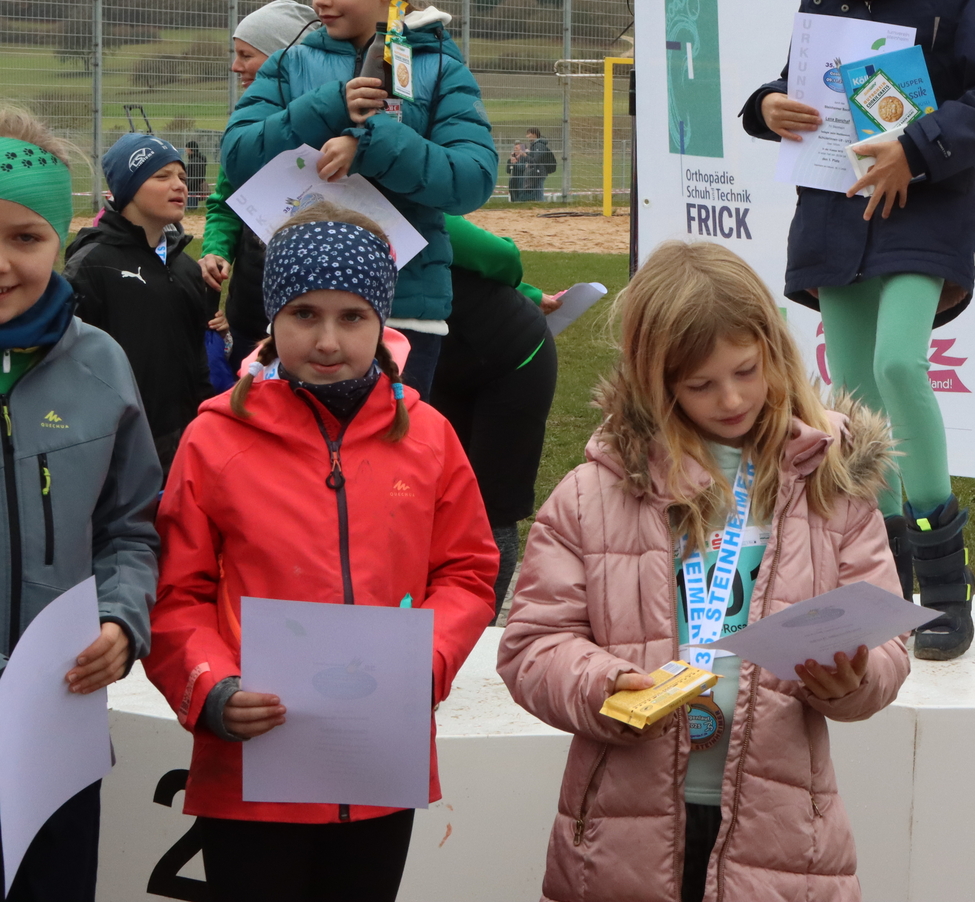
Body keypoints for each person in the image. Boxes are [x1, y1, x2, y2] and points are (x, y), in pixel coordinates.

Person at [498, 241, 908, 902]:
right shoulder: (590, 495)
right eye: (700, 384)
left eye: (747, 370)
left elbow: (886, 641)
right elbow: (533, 645)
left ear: (774, 352)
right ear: (656, 381)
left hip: (782, 834)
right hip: (621, 830)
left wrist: (853, 679)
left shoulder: (830, 485)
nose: (732, 397)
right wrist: (607, 683)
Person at [144, 202, 498, 902]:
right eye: (304, 313)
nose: (328, 339)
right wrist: (212, 687)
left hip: (377, 763)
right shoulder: (213, 439)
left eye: (353, 316)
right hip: (251, 766)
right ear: (271, 316)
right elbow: (175, 592)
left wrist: (425, 661)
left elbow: (467, 571)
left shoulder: (428, 437)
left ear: (382, 320)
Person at [740, 0, 975, 660]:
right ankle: (888, 575)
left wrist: (918, 144)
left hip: (922, 213)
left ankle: (945, 580)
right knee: (856, 396)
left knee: (901, 364)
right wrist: (767, 107)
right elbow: (799, 87)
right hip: (836, 214)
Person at [220, 0, 497, 398]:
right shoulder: (289, 65)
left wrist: (372, 146)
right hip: (302, 306)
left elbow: (471, 179)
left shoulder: (440, 69)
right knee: (296, 444)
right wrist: (328, 105)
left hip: (403, 311)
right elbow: (238, 155)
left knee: (389, 444)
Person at [0, 110, 161, 902]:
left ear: (61, 237)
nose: (2, 262)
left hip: (53, 729)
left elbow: (132, 525)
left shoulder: (101, 364)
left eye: (25, 237)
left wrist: (120, 619)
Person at [433, 214, 562, 613]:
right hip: (446, 364)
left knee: (490, 510)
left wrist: (527, 292)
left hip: (514, 359)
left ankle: (479, 631)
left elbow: (500, 257)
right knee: (436, 500)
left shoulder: (400, 200)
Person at [65, 132, 217, 471]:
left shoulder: (186, 267)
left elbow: (197, 356)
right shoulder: (93, 265)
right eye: (161, 176)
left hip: (185, 437)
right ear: (128, 188)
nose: (179, 185)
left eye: (181, 176)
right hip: (120, 444)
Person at [200, 0, 321, 371]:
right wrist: (216, 250)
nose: (236, 66)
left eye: (246, 55)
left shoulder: (330, 119)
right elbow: (225, 202)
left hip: (316, 308)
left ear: (281, 60)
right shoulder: (247, 130)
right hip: (250, 308)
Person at [183, 142, 208, 210]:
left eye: (186, 148)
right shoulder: (194, 159)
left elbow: (197, 176)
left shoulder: (196, 160)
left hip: (192, 188)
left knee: (191, 209)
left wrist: (187, 185)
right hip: (192, 187)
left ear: (190, 149)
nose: (185, 150)